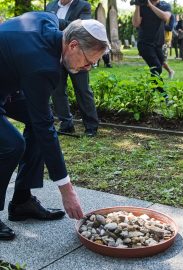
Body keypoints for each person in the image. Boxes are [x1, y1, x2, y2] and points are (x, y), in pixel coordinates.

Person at [0, 11, 109, 240]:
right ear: (72, 45)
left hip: (7, 85)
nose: (87, 68)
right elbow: (45, 127)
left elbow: (68, 24)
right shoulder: (43, 67)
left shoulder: (48, 20)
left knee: (38, 126)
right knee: (12, 144)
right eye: (88, 62)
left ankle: (21, 201)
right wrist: (66, 189)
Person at [46, 0, 99, 137]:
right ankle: (66, 124)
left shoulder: (83, 5)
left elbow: (81, 27)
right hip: (55, 53)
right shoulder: (50, 5)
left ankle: (91, 126)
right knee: (57, 90)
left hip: (77, 55)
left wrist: (55, 21)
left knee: (82, 90)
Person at [132, 0, 171, 99]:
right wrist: (137, 6)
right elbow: (136, 23)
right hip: (144, 43)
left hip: (158, 44)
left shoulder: (164, 5)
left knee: (160, 66)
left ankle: (150, 94)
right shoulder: (141, 6)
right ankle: (164, 97)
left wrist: (150, 5)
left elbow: (165, 17)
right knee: (156, 67)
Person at [162, 14, 175, 79]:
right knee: (155, 58)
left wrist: (159, 24)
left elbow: (170, 28)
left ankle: (170, 71)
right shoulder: (158, 15)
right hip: (156, 39)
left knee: (162, 60)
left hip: (165, 41)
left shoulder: (171, 16)